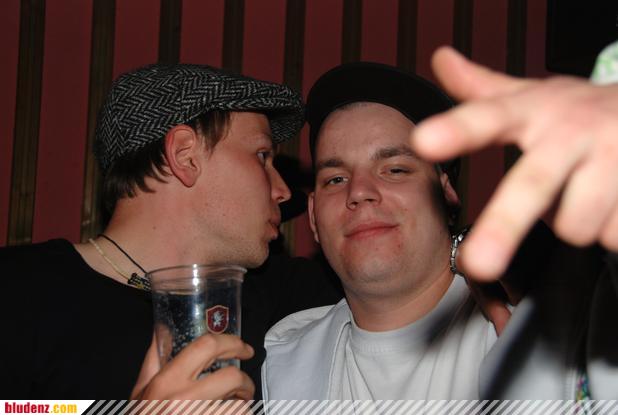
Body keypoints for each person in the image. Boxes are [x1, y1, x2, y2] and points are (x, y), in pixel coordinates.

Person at [262, 49, 618, 399]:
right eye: (336, 179)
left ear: (446, 194)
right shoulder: (282, 359)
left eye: (395, 170)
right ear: (313, 215)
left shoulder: (552, 328)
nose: (359, 192)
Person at [0, 63, 342, 399]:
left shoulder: (282, 294)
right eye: (262, 155)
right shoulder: (18, 291)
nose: (283, 191)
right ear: (185, 155)